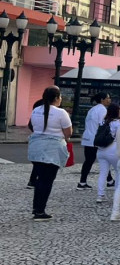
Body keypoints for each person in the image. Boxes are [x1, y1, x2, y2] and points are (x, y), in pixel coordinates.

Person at [28, 86, 72, 221]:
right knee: (47, 181)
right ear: (57, 98)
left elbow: (31, 126)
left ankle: (37, 208)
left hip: (36, 147)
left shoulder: (36, 110)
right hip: (52, 149)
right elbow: (68, 133)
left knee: (40, 178)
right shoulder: (61, 113)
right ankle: (40, 211)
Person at [78, 91, 111, 190]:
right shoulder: (102, 110)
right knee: (104, 159)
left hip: (87, 137)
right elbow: (102, 125)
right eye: (108, 97)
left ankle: (82, 182)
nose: (109, 100)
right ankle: (110, 181)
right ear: (102, 100)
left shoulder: (92, 109)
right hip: (95, 138)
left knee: (88, 161)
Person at [95, 104, 120, 203]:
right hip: (113, 149)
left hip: (101, 150)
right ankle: (118, 194)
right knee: (118, 171)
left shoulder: (103, 121)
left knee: (103, 173)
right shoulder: (118, 123)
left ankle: (100, 195)